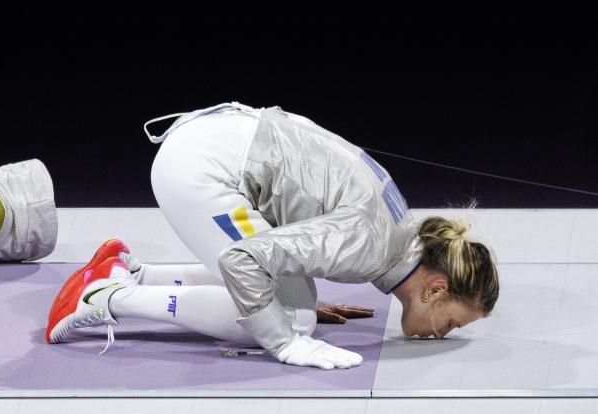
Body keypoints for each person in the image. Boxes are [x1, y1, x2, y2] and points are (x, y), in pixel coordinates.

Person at [45, 102, 499, 370]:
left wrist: (298, 289)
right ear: (436, 288)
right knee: (292, 320)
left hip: (218, 137)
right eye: (453, 323)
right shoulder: (367, 247)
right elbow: (242, 260)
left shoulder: (401, 230)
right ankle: (107, 296)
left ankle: (133, 273)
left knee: (291, 300)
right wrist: (285, 341)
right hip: (203, 171)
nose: (442, 335)